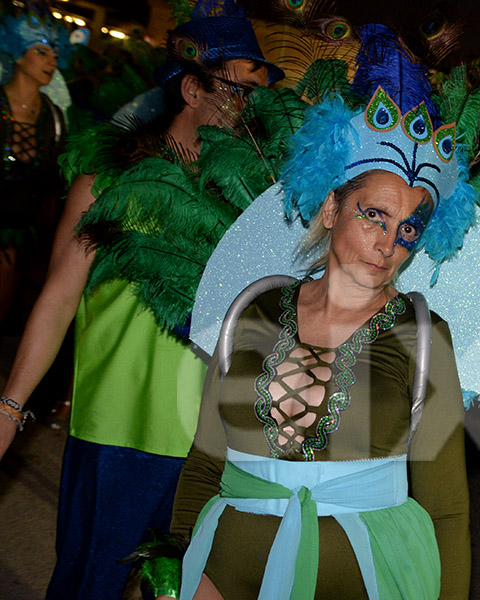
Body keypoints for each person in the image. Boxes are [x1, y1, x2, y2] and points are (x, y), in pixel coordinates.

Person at [0, 10, 284, 599]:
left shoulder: (254, 199)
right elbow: (58, 296)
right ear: (192, 87)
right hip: (117, 430)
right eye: (241, 89)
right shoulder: (110, 179)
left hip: (213, 440)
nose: (254, 107)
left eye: (263, 95)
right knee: (89, 587)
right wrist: (10, 406)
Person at [155, 88, 473, 599]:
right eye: (374, 215)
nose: (388, 244)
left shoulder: (423, 336)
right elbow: (204, 464)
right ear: (331, 208)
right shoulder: (252, 309)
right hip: (221, 569)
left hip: (364, 578)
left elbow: (447, 508)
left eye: (407, 229)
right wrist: (176, 569)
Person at [0, 10, 67, 330]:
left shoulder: (53, 119)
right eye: (41, 51)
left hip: (18, 244)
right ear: (16, 53)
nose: (51, 62)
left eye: (55, 54)